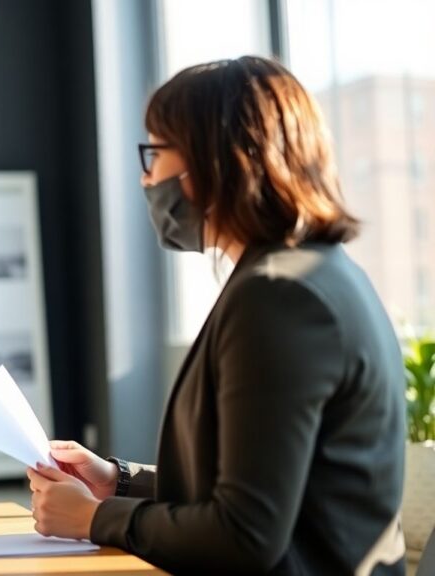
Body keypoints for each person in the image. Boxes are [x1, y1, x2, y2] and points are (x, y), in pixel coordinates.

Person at [27, 56, 405, 575]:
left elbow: (244, 534)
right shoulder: (311, 275)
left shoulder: (279, 298)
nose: (145, 177)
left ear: (210, 163)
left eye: (154, 153)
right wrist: (117, 481)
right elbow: (258, 488)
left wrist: (96, 518)